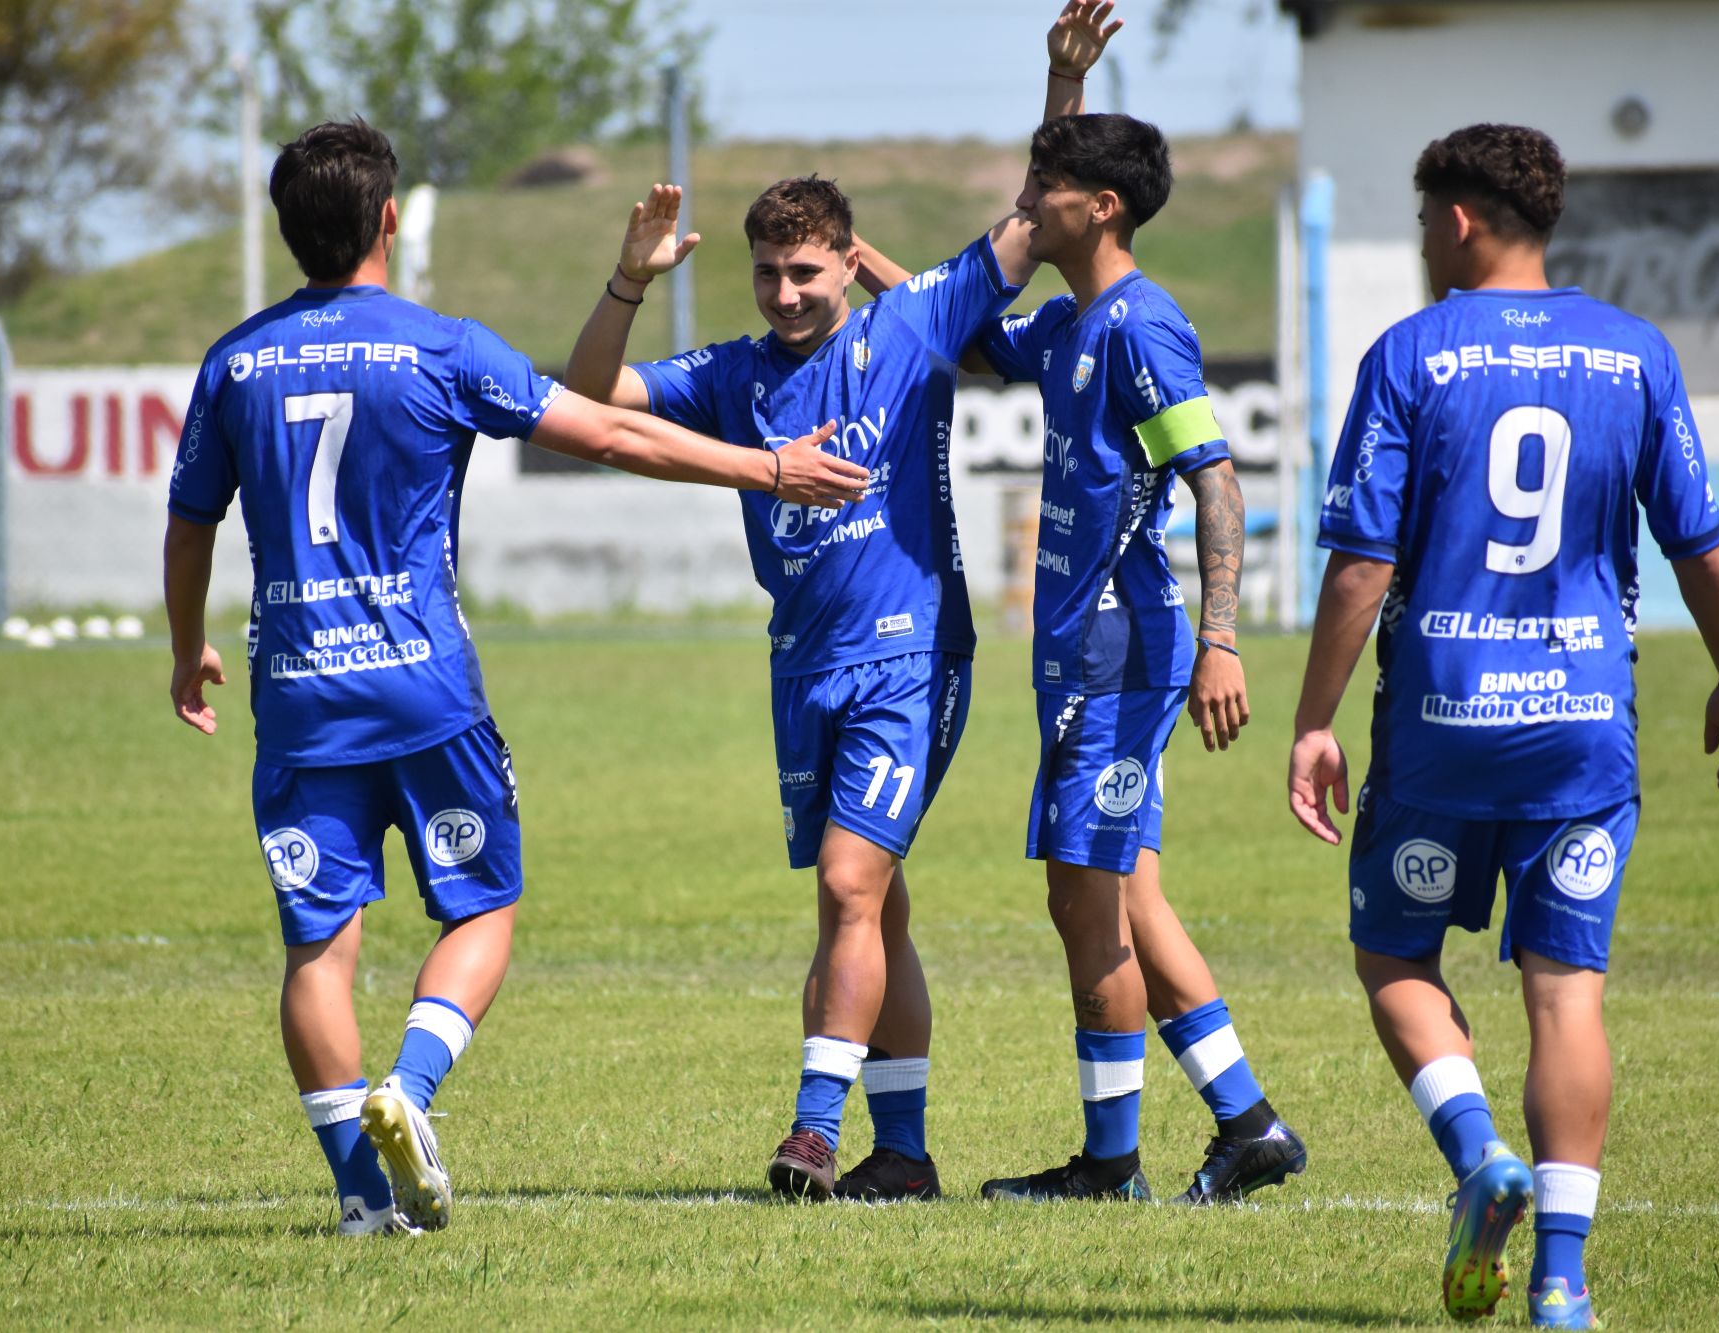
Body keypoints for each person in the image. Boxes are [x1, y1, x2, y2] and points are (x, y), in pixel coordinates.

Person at [163, 119, 867, 1235]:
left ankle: (361, 1199)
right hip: (423, 689)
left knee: (318, 948)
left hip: (298, 696)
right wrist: (764, 466)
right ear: (389, 219)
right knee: (482, 905)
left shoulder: (234, 361)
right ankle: (412, 1086)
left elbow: (191, 519)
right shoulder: (444, 349)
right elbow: (610, 436)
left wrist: (184, 645)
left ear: (288, 228)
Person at [1286, 123, 1719, 1326]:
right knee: (1565, 994)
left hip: (1440, 722)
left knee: (1394, 958)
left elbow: (1359, 567)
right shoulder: (1633, 353)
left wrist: (1313, 721)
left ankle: (1476, 1156)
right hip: (1580, 724)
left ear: (1457, 221)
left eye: (1421, 222)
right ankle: (1559, 1278)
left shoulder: (1410, 353)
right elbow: (1702, 546)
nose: (1421, 244)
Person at [858, 1, 1304, 1205]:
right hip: (1080, 657)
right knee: (1125, 894)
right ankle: (1247, 1124)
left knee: (1082, 899)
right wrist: (873, 271)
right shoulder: (1067, 326)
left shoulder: (1142, 328)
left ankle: (1111, 1165)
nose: (1024, 205)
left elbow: (1215, 480)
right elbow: (965, 328)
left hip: (1121, 654)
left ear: (1099, 208)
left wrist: (1220, 640)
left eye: (1045, 190)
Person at [563, 153, 1037, 1199]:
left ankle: (814, 1132)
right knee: (874, 908)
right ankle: (903, 1155)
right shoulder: (732, 375)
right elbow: (591, 395)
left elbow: (1031, 219)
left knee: (847, 885)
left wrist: (1063, 86)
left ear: (848, 263)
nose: (783, 294)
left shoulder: (911, 326)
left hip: (908, 658)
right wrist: (629, 280)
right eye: (767, 273)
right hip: (804, 665)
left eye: (805, 273)